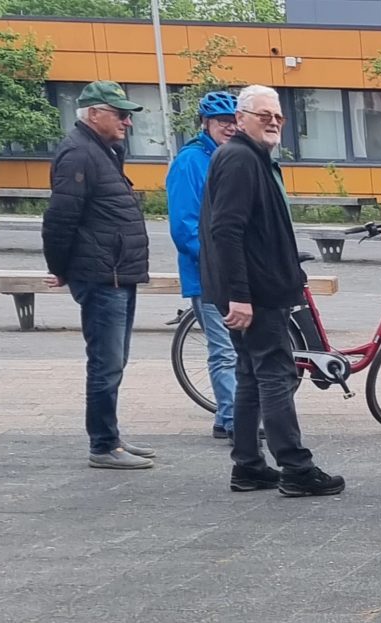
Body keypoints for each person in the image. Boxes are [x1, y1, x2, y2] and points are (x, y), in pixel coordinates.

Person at [201, 86, 345, 496]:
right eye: (263, 115)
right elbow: (226, 230)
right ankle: (296, 467)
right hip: (258, 293)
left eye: (278, 116)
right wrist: (240, 295)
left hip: (257, 288)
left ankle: (248, 465)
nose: (273, 122)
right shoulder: (240, 159)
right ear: (241, 118)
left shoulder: (250, 157)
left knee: (250, 374)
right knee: (276, 374)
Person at [43, 81, 155, 470]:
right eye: (120, 114)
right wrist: (59, 268)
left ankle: (111, 437)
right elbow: (60, 218)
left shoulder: (102, 151)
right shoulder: (79, 153)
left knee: (114, 361)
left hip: (117, 273)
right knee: (106, 363)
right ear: (94, 113)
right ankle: (103, 444)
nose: (127, 121)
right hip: (102, 275)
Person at [166, 91, 240, 440]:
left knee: (236, 349)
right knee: (224, 350)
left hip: (235, 271)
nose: (230, 127)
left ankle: (227, 417)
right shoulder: (190, 162)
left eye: (234, 121)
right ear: (205, 124)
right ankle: (234, 420)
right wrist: (217, 264)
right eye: (222, 122)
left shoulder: (232, 156)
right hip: (208, 274)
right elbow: (184, 227)